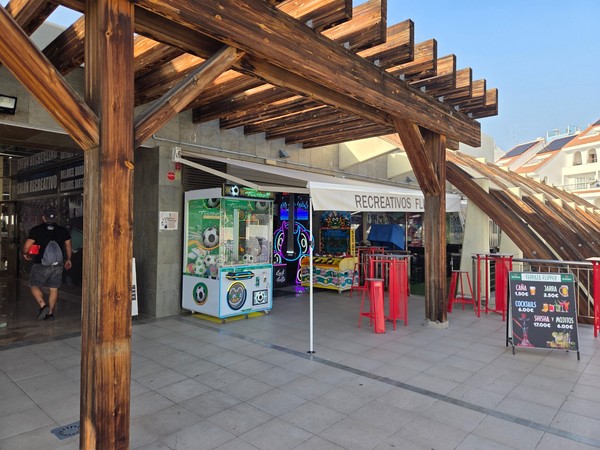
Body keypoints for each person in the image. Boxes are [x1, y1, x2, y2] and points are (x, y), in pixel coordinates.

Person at [22, 206, 72, 321]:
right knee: (54, 288)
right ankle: (50, 313)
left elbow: (26, 246)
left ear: (43, 217)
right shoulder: (63, 230)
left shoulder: (36, 230)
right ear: (56, 218)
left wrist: (26, 253)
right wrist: (68, 259)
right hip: (57, 264)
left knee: (34, 285)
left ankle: (43, 305)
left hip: (41, 263)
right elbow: (68, 246)